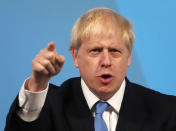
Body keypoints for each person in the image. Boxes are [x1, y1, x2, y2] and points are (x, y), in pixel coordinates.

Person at [5, 8, 176, 131]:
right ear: (75, 56)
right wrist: (38, 83)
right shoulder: (50, 105)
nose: (106, 61)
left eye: (115, 51)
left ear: (129, 57)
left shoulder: (167, 111)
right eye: (95, 51)